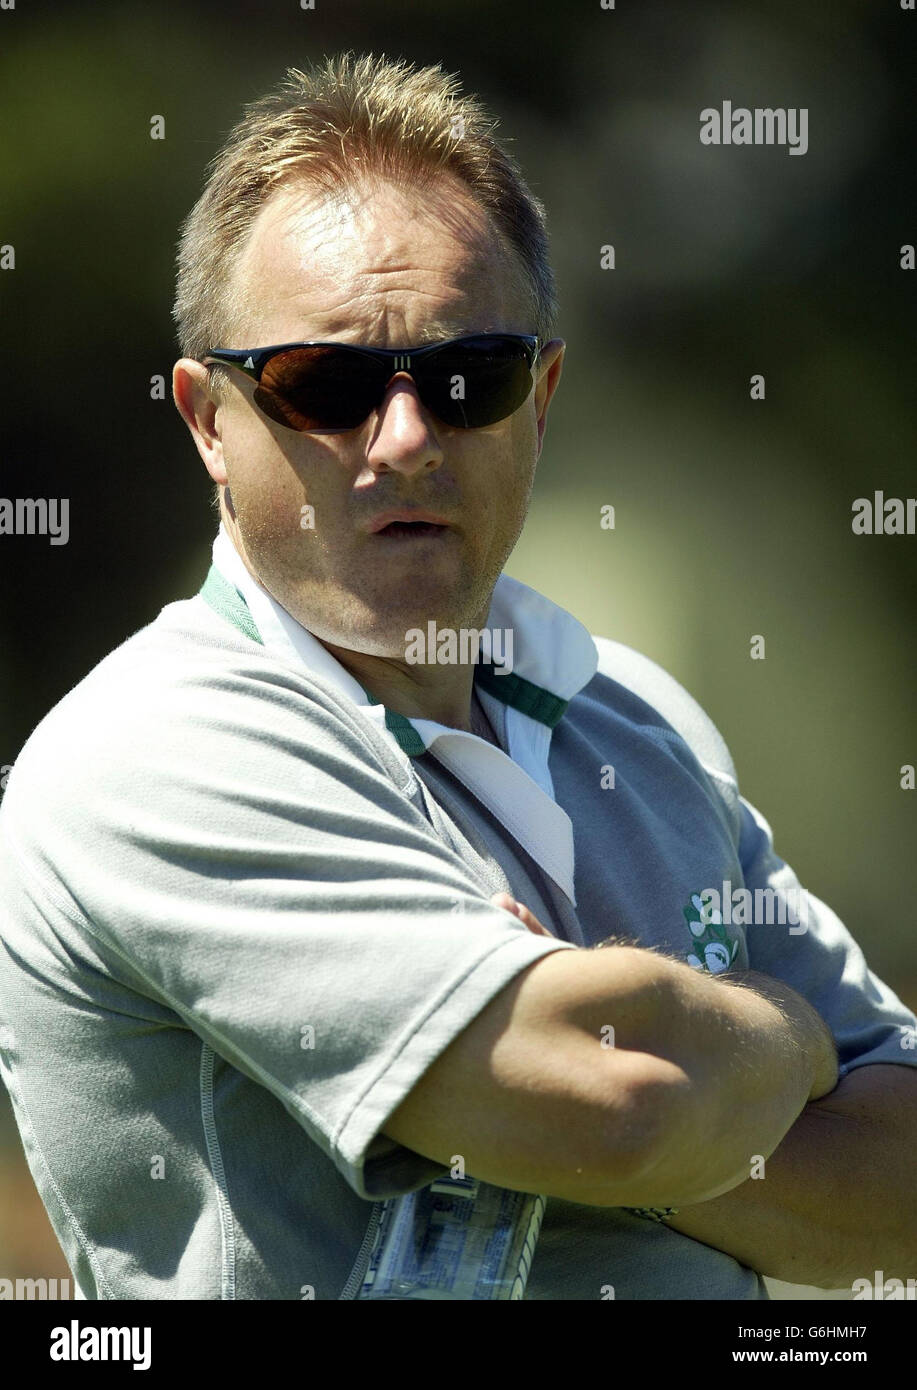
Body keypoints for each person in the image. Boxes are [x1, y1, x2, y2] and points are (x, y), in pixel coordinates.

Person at [0, 51, 914, 1302]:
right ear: (208, 420)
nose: (406, 438)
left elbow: (900, 1194)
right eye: (322, 383)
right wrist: (786, 1044)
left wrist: (663, 1058)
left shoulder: (640, 721)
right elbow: (614, 1109)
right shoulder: (151, 747)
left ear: (538, 397)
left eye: (466, 376)